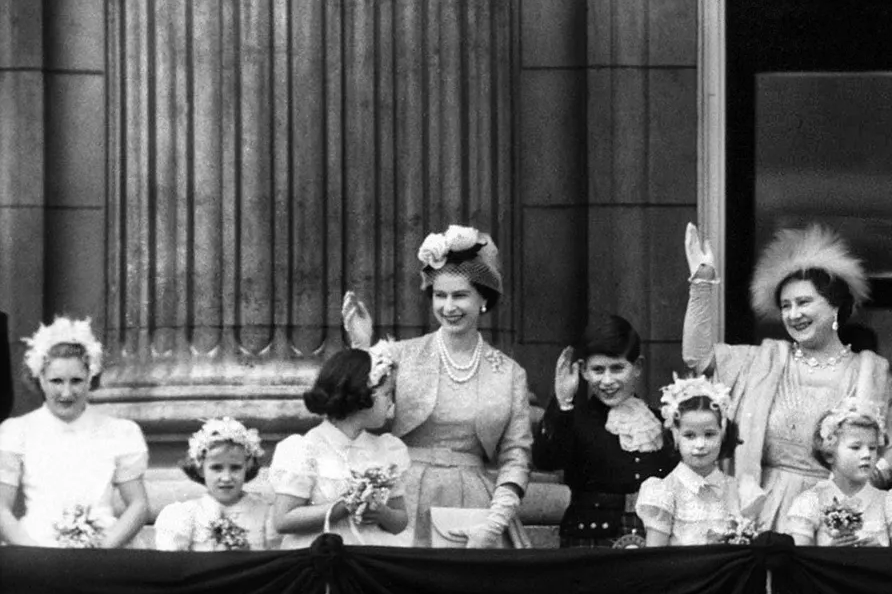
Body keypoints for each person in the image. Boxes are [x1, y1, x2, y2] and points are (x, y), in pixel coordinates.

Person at [681, 222, 892, 530]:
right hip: (765, 511)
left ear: (835, 307)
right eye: (785, 306)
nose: (793, 314)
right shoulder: (761, 361)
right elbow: (697, 357)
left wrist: (861, 485)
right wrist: (702, 283)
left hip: (838, 517)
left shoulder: (871, 371)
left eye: (804, 302)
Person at [342, 224, 532, 548]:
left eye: (460, 296)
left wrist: (494, 522)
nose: (448, 307)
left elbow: (516, 456)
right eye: (440, 296)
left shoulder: (509, 374)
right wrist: (363, 351)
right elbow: (359, 418)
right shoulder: (402, 355)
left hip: (474, 508)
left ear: (484, 298)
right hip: (404, 498)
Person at [0, 316, 148, 548]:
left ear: (91, 377)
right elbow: (1, 508)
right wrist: (31, 551)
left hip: (103, 548)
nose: (66, 393)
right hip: (37, 549)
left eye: (76, 381)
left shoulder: (120, 432)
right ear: (40, 378)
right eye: (56, 381)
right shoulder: (16, 432)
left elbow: (138, 504)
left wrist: (105, 547)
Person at [534, 315, 677, 547]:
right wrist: (562, 402)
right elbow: (545, 460)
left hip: (653, 541)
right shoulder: (574, 418)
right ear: (584, 371)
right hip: (589, 541)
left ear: (637, 367)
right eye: (598, 370)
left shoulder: (661, 421)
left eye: (617, 368)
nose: (607, 380)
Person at [270, 348, 411, 549]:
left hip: (372, 555)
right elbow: (283, 520)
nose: (391, 403)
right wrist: (344, 506)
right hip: (320, 554)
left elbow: (400, 521)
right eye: (387, 394)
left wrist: (382, 513)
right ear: (362, 395)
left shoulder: (388, 449)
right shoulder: (304, 449)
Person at [637, 375, 764, 547]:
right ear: (675, 437)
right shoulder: (665, 491)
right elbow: (655, 558)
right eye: (689, 436)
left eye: (709, 434)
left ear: (723, 434)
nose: (700, 445)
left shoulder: (739, 491)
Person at [785, 399, 892, 547]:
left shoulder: (889, 503)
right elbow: (801, 562)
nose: (867, 454)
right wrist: (829, 555)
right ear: (829, 454)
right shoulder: (811, 502)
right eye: (855, 447)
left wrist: (883, 555)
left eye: (872, 448)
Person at [156, 417, 275, 551]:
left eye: (235, 468)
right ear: (200, 469)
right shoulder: (187, 514)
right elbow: (175, 565)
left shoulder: (264, 513)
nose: (226, 477)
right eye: (216, 468)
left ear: (247, 467)